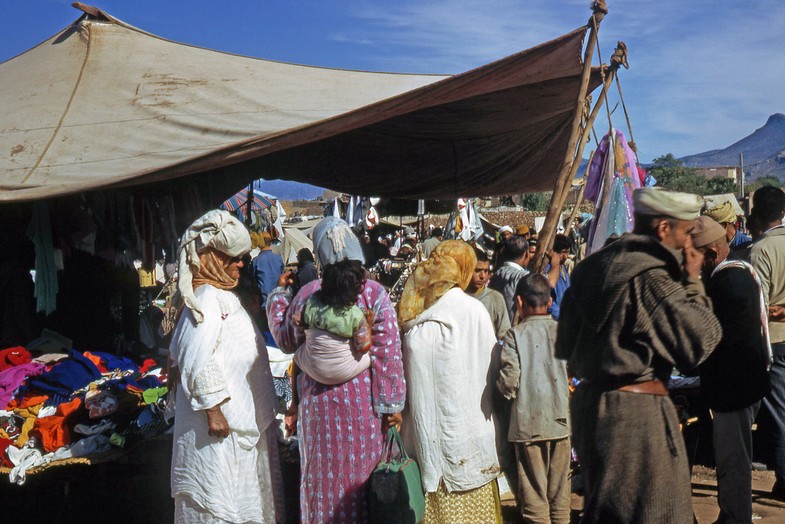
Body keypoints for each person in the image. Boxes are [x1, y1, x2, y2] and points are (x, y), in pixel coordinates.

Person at [556, 187, 722, 524]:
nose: (690, 243)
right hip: (635, 414)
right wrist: (693, 281)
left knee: (610, 507)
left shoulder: (593, 267)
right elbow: (698, 343)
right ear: (663, 228)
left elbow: (566, 346)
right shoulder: (649, 276)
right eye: (687, 232)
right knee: (652, 509)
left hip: (593, 407)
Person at [266, 216, 405, 524]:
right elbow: (387, 355)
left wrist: (277, 297)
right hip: (363, 410)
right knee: (362, 481)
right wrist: (391, 407)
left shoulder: (308, 294)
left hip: (318, 409)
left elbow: (286, 340)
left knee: (322, 481)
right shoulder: (375, 295)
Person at [168, 209, 282, 523]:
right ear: (214, 259)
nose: (241, 265)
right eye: (234, 259)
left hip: (233, 429)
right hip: (217, 433)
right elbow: (196, 357)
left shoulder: (216, 296)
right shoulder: (205, 298)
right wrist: (214, 409)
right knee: (218, 503)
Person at [398, 240, 502, 523]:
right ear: (464, 270)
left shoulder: (413, 320)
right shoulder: (474, 312)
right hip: (470, 443)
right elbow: (493, 370)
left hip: (424, 448)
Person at [691, 215, 771, 523]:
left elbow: (724, 341)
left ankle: (736, 517)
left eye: (696, 258)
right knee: (733, 456)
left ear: (710, 253)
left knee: (733, 459)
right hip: (744, 383)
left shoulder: (727, 282)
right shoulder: (739, 270)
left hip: (735, 387)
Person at [497, 274, 570, 524]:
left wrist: (499, 392)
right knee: (559, 496)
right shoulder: (562, 331)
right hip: (561, 423)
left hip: (529, 425)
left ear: (519, 302)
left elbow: (510, 380)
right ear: (549, 301)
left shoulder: (514, 335)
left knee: (534, 499)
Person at [749, 185, 785, 500]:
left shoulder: (760, 250)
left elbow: (757, 304)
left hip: (776, 341)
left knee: (780, 412)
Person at [465, 249, 511, 340]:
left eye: (485, 271)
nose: (482, 276)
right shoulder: (457, 296)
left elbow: (504, 333)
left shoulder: (495, 298)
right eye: (477, 270)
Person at [489, 235, 531, 323]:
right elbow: (551, 283)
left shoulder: (497, 273)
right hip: (513, 329)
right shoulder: (522, 276)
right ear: (526, 254)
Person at [251, 231, 284, 326]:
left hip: (263, 305)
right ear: (270, 242)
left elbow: (254, 281)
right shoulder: (278, 259)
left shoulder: (256, 261)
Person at [545, 234, 572, 320]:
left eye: (568, 252)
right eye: (563, 252)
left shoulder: (563, 267)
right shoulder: (548, 270)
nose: (566, 256)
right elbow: (548, 301)